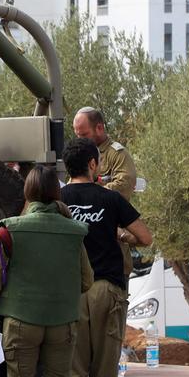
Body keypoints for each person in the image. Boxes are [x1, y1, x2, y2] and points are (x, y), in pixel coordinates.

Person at [0, 164, 92, 377]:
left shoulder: (10, 230)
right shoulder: (74, 232)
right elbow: (86, 280)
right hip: (62, 323)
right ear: (57, 192)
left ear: (27, 192)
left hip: (19, 322)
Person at [61, 138, 153, 377]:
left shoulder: (57, 200)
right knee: (103, 374)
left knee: (72, 374)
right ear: (92, 165)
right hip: (107, 292)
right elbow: (145, 237)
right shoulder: (111, 199)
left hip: (68, 295)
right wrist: (120, 233)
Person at [72, 107, 142, 275]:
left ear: (99, 128)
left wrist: (90, 191)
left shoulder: (117, 154)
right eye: (77, 135)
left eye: (84, 135)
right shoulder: (79, 155)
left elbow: (124, 185)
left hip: (112, 243)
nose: (79, 140)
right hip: (84, 249)